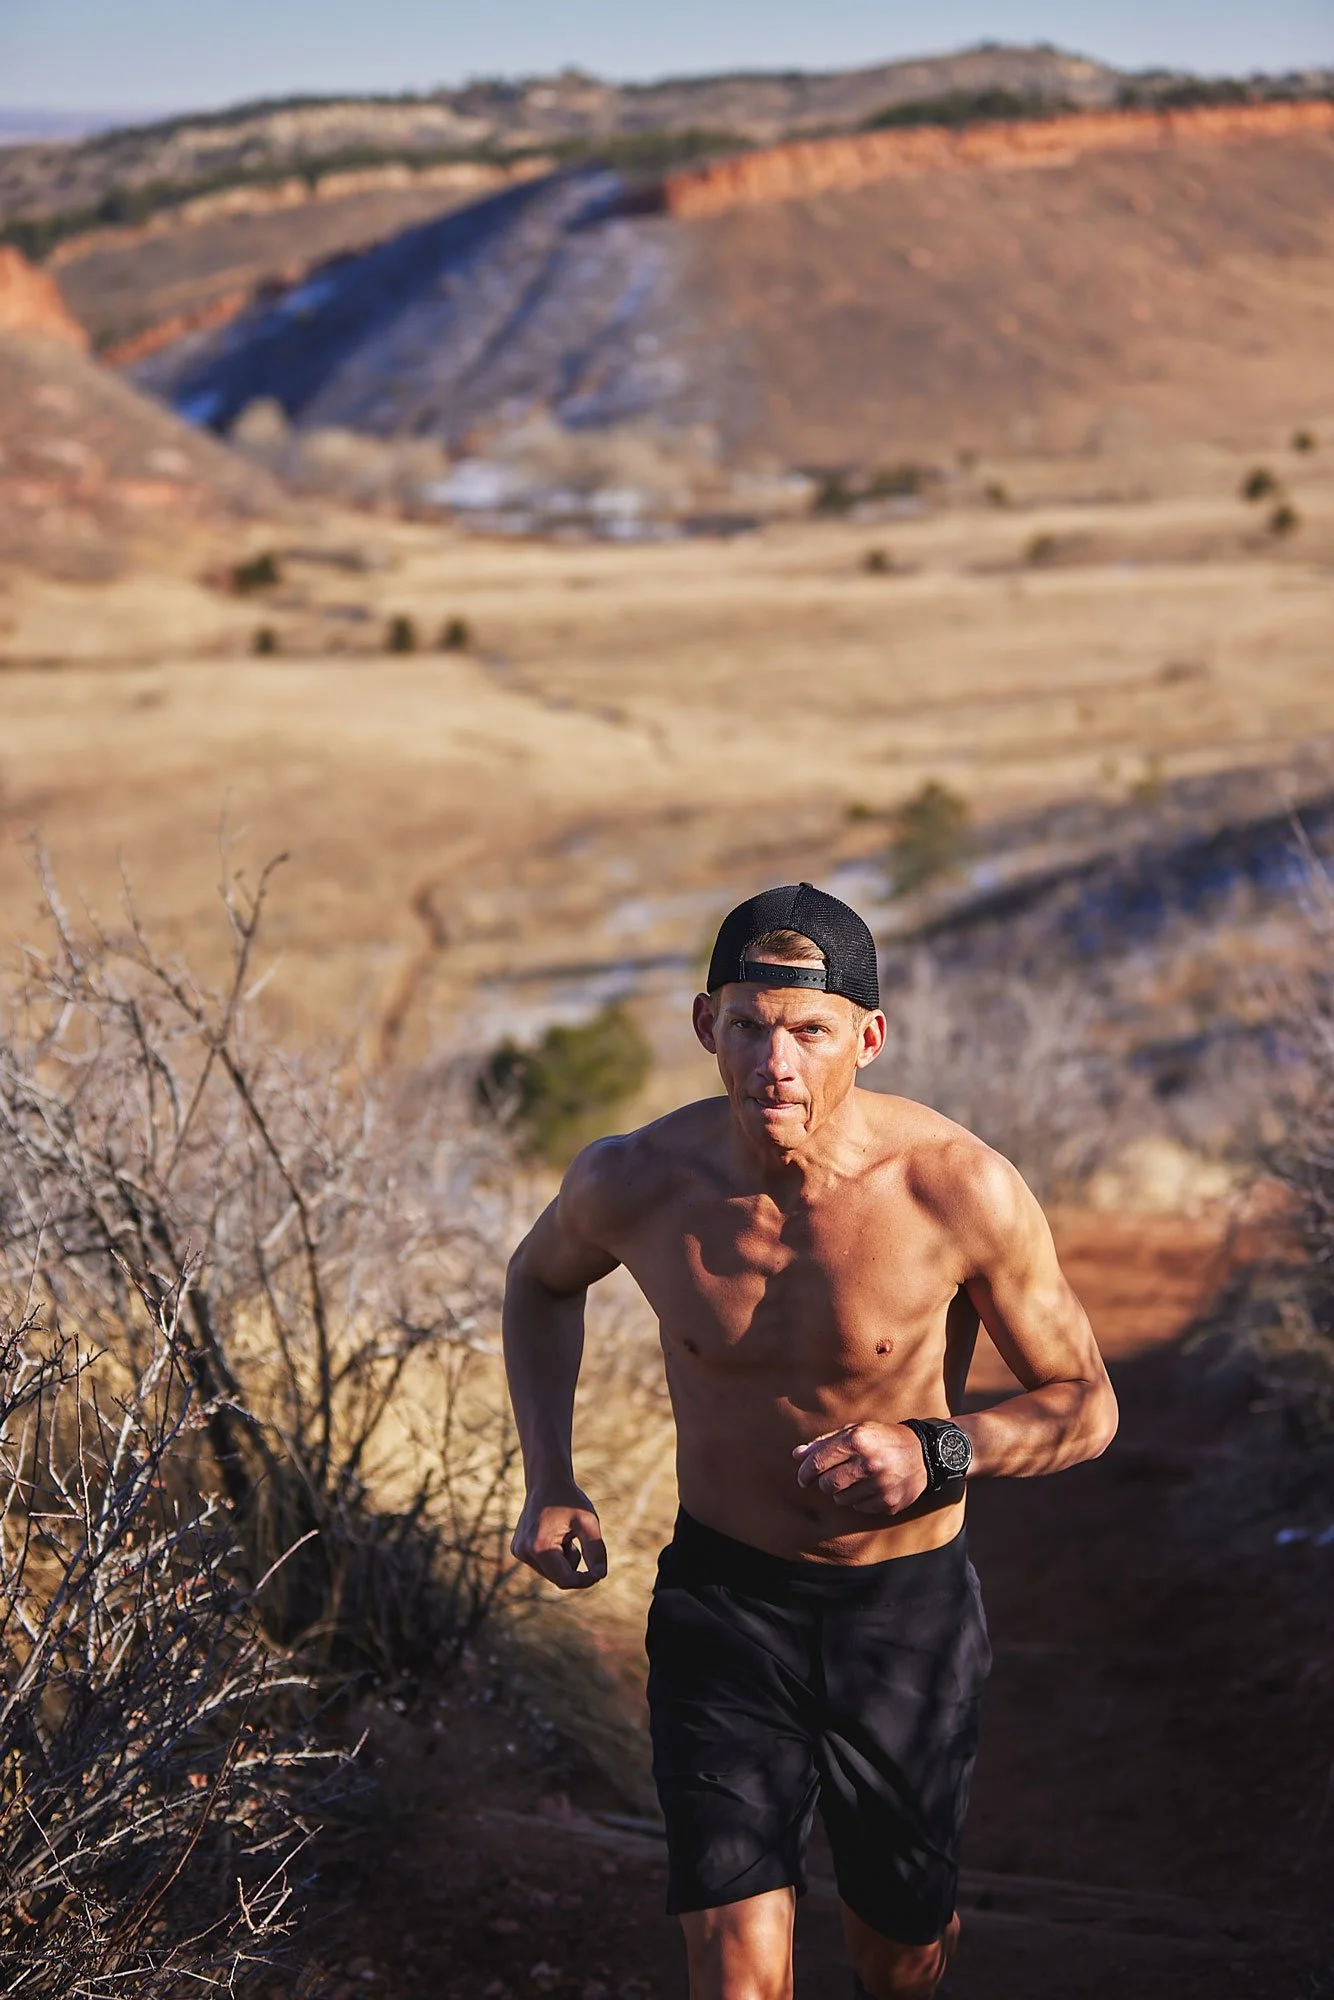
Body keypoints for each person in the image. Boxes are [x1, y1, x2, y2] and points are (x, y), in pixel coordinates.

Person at [503, 882, 1117, 2000]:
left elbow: (1085, 1403)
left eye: (808, 1031)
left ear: (867, 1038)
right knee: (736, 1968)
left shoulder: (955, 1188)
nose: (772, 1062)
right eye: (746, 1025)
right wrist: (552, 1477)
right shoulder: (634, 1180)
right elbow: (538, 1283)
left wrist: (936, 1451)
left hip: (901, 1612)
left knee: (898, 1953)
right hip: (723, 1601)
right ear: (707, 1024)